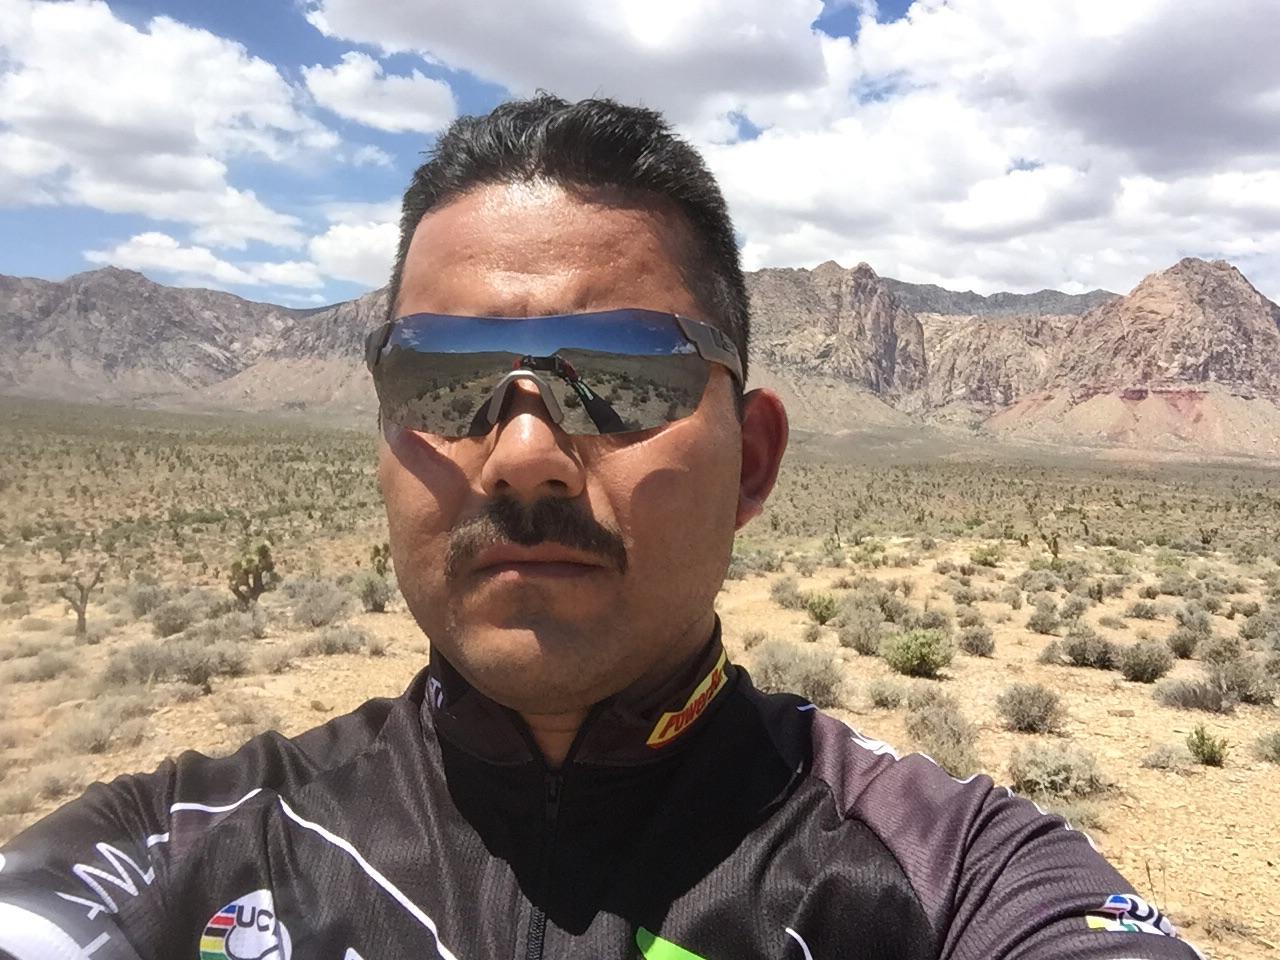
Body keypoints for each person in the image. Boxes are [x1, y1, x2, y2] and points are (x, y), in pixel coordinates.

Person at [0, 95, 1201, 960]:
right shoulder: (181, 847)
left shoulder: (944, 874)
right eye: (441, 379)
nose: (523, 453)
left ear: (752, 460)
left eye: (621, 377)